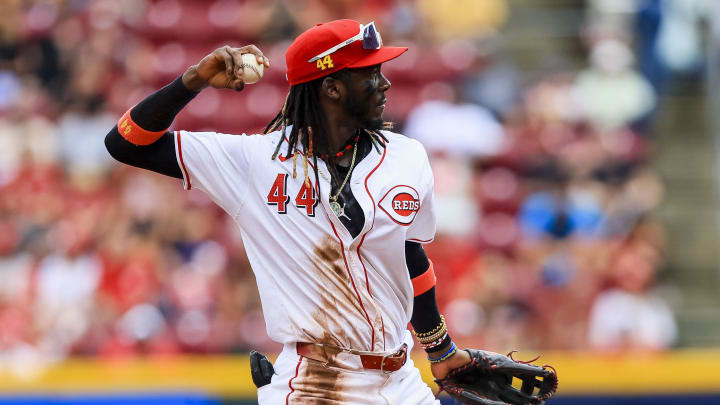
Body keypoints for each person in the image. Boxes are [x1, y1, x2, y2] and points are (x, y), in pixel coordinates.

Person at [105, 19, 470, 403]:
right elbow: (125, 143)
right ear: (332, 87)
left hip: (403, 382)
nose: (385, 83)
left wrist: (440, 349)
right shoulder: (256, 162)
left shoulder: (407, 156)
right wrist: (193, 80)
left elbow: (409, 256)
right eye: (370, 73)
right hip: (317, 383)